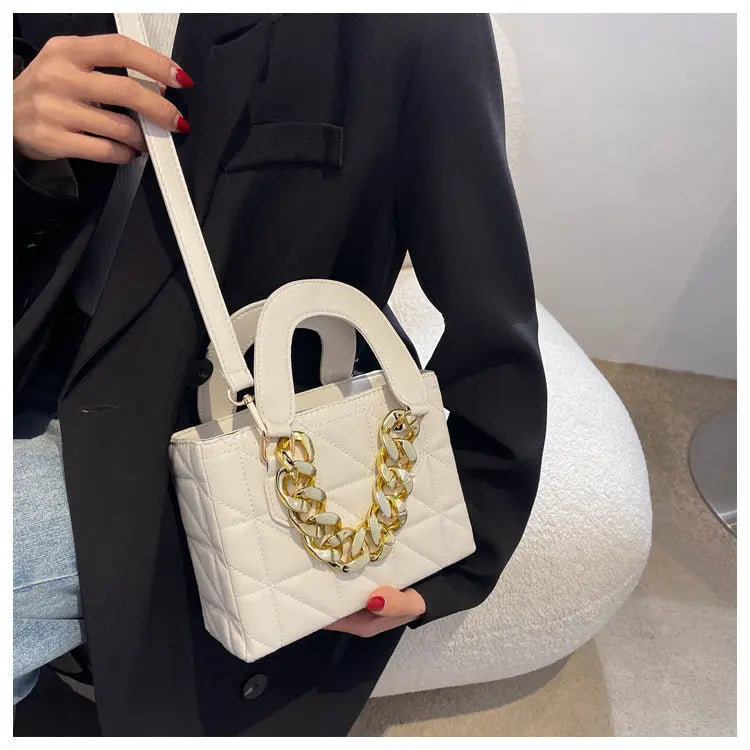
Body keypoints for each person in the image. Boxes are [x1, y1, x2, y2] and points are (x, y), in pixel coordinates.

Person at [13, 12, 548, 737]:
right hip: (35, 347)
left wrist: (458, 546)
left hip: (212, 423)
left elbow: (489, 302)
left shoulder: (407, 24)